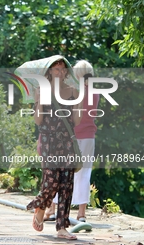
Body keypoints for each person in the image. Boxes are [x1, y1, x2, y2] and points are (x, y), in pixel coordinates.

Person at [24, 55, 83, 240]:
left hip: (67, 141)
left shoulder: (73, 90)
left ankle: (62, 227)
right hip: (49, 141)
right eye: (56, 68)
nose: (59, 71)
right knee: (51, 182)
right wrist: (39, 100)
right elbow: (38, 120)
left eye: (63, 68)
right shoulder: (41, 90)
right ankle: (40, 206)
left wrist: (79, 102)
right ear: (49, 71)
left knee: (66, 184)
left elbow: (77, 121)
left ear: (67, 72)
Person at [45, 60, 100, 222]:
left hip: (70, 137)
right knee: (84, 174)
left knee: (60, 172)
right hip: (88, 137)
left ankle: (53, 209)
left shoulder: (72, 91)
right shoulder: (94, 92)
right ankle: (81, 213)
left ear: (76, 74)